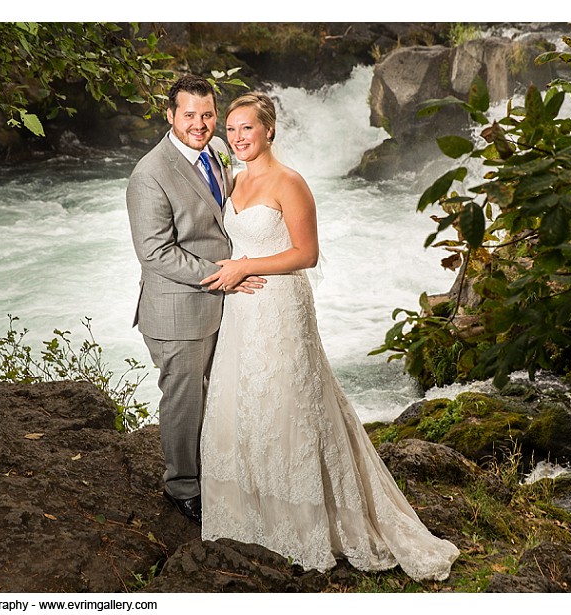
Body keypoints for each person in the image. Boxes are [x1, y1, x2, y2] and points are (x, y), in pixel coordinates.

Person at [198, 92, 460, 581]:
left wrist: (245, 266)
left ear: (268, 130)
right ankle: (253, 517)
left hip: (280, 305)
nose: (236, 138)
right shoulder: (233, 179)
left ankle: (308, 524)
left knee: (289, 404)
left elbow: (307, 254)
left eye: (245, 129)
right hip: (242, 308)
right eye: (230, 130)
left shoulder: (289, 182)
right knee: (244, 404)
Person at [125, 75, 264, 524]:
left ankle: (216, 472)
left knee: (216, 395)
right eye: (189, 115)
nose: (200, 125)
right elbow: (155, 252)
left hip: (222, 305)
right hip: (178, 311)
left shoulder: (219, 150)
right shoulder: (149, 175)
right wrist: (224, 276)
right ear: (170, 115)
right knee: (184, 401)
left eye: (207, 115)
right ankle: (181, 487)